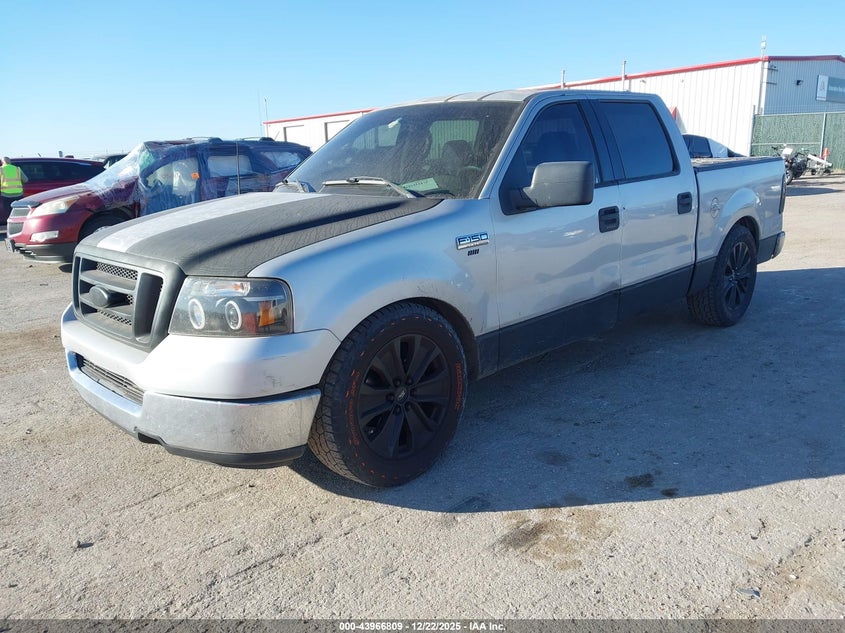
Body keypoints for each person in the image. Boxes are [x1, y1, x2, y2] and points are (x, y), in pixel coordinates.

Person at [1, 156, 28, 225]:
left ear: (2, 162)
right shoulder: (17, 169)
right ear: (10, 162)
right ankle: (20, 225)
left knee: (9, 213)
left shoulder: (1, 170)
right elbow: (26, 180)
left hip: (6, 195)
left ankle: (12, 227)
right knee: (19, 212)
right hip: (18, 194)